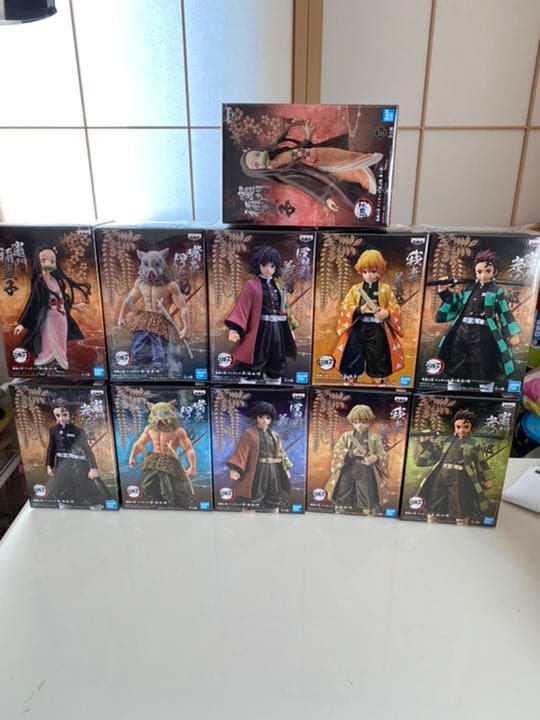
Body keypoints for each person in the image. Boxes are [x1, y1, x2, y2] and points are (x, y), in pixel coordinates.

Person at [241, 118, 383, 213]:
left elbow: (298, 152)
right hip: (319, 165)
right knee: (349, 170)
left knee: (345, 157)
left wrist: (308, 136)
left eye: (257, 154)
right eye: (256, 163)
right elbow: (305, 183)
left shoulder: (278, 154)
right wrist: (325, 197)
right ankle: (374, 179)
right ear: (258, 170)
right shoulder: (282, 172)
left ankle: (371, 163)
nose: (260, 158)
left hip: (317, 153)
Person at [434, 249, 521, 388]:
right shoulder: (468, 289)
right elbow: (455, 302)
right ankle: (452, 389)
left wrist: (512, 333)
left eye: (487, 271)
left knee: (484, 365)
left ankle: (486, 392)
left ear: (495, 272)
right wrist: (443, 289)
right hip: (462, 331)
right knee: (456, 360)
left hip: (484, 333)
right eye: (479, 272)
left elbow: (504, 312)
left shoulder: (496, 291)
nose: (483, 275)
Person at [225, 246, 297, 383]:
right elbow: (242, 307)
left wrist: (291, 329)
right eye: (265, 265)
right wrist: (234, 328)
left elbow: (286, 309)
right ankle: (247, 385)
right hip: (260, 329)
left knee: (277, 360)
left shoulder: (279, 287)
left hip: (277, 329)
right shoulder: (251, 285)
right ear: (258, 265)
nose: (268, 269)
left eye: (272, 266)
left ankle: (274, 384)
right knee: (255, 359)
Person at [14, 245, 90, 370]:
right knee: (47, 341)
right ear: (38, 262)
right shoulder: (40, 282)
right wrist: (22, 324)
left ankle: (60, 364)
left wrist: (75, 306)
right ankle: (44, 363)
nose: (48, 263)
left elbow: (62, 300)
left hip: (62, 317)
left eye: (52, 260)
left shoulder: (56, 280)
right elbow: (33, 302)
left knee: (61, 341)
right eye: (43, 260)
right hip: (48, 318)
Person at [333, 249, 404, 383]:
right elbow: (345, 306)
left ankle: (379, 375)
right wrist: (360, 310)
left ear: (380, 271)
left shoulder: (385, 289)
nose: (368, 276)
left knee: (379, 352)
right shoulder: (355, 289)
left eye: (373, 271)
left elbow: (395, 307)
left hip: (377, 327)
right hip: (358, 326)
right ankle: (352, 373)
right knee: (353, 350)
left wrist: (387, 312)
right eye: (365, 272)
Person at [117, 249, 190, 375]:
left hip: (161, 322)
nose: (151, 270)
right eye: (147, 265)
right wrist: (121, 316)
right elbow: (129, 300)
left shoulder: (170, 286)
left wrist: (187, 328)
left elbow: (183, 307)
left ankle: (162, 376)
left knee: (161, 355)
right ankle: (140, 376)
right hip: (144, 321)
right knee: (137, 351)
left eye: (155, 265)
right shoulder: (140, 283)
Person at [415, 409, 494, 525]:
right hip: (441, 474)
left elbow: (480, 462)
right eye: (458, 427)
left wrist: (486, 478)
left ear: (471, 428)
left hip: (460, 477)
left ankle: (462, 525)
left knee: (460, 505)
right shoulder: (446, 440)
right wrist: (426, 441)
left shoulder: (473, 443)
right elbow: (433, 454)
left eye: (466, 427)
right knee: (433, 500)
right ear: (454, 427)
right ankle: (431, 522)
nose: (462, 430)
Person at [129, 400, 196, 509]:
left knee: (171, 489)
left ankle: (176, 505)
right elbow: (139, 443)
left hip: (170, 462)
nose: (160, 419)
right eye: (156, 415)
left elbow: (189, 450)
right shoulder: (150, 429)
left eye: (164, 414)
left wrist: (192, 467)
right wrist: (132, 457)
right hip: (154, 460)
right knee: (148, 486)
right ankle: (159, 503)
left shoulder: (178, 431)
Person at [226, 401, 292, 510]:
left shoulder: (275, 435)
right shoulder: (249, 433)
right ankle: (248, 517)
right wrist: (235, 469)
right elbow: (241, 451)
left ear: (271, 419)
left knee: (274, 496)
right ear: (256, 417)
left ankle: (274, 515)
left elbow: (281, 452)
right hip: (258, 470)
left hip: (273, 470)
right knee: (254, 496)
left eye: (268, 418)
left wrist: (286, 468)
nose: (264, 420)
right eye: (261, 417)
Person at [324, 404, 388, 514]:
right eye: (355, 422)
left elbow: (382, 453)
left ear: (370, 421)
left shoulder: (374, 437)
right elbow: (337, 450)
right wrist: (351, 453)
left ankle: (368, 509)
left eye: (363, 422)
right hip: (348, 468)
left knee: (367, 491)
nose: (358, 425)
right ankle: (341, 507)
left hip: (365, 470)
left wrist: (375, 457)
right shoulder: (346, 436)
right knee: (343, 489)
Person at [46, 400, 110, 507]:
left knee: (83, 484)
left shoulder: (79, 431)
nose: (61, 418)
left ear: (71, 415)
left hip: (78, 463)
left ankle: (93, 503)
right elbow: (51, 449)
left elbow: (87, 450)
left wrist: (93, 467)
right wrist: (49, 465)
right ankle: (65, 501)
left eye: (64, 415)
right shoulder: (53, 431)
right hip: (62, 463)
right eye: (58, 415)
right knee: (63, 484)